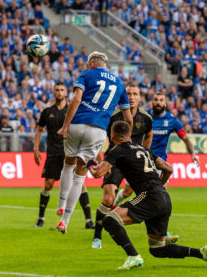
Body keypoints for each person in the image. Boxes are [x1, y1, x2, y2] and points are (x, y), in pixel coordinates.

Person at [89, 121, 207, 269]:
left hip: (150, 196)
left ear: (112, 136)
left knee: (109, 220)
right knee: (157, 249)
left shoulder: (117, 150)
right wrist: (158, 185)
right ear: (129, 135)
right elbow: (168, 169)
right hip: (164, 197)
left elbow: (97, 173)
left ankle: (133, 256)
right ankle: (202, 253)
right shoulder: (144, 150)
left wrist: (88, 162)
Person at [55, 51, 133, 234]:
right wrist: (126, 138)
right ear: (105, 65)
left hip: (77, 124)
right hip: (98, 130)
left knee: (68, 164)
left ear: (91, 63)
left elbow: (76, 99)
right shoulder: (119, 83)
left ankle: (60, 204)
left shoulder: (86, 74)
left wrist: (65, 127)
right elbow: (128, 117)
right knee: (80, 175)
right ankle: (64, 221)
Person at [113, 93, 200, 208]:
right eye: (156, 100)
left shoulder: (172, 120)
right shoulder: (144, 116)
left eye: (161, 100)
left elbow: (185, 138)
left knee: (162, 194)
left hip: (159, 162)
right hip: (140, 159)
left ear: (165, 103)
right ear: (152, 102)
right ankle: (114, 205)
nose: (158, 102)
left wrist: (193, 154)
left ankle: (155, 222)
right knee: (127, 192)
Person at [92, 84, 153, 249]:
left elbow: (148, 136)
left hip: (135, 163)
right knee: (108, 198)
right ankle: (97, 235)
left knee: (149, 196)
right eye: (128, 94)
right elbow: (101, 139)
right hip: (115, 161)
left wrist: (145, 153)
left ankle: (159, 232)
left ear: (140, 97)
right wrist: (103, 160)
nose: (132, 97)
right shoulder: (113, 116)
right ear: (123, 97)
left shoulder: (146, 118)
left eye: (135, 94)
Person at [33, 82, 94, 228]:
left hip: (71, 152)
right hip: (54, 153)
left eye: (62, 90)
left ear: (66, 93)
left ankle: (88, 220)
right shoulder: (47, 112)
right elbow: (39, 129)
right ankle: (41, 217)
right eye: (57, 90)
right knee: (48, 184)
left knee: (81, 185)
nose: (59, 92)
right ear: (53, 93)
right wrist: (36, 148)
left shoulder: (72, 109)